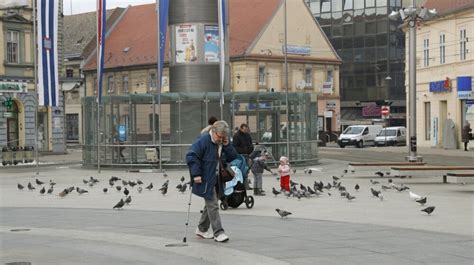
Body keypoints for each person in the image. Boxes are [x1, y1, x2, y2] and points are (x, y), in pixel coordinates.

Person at [186, 120, 238, 243]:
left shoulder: (222, 141)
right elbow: (191, 156)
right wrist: (196, 174)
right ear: (213, 132)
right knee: (213, 204)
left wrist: (227, 145)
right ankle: (218, 232)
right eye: (219, 137)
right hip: (205, 178)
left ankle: (201, 229)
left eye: (223, 137)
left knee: (211, 203)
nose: (221, 139)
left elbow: (232, 157)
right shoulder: (203, 140)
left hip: (218, 177)